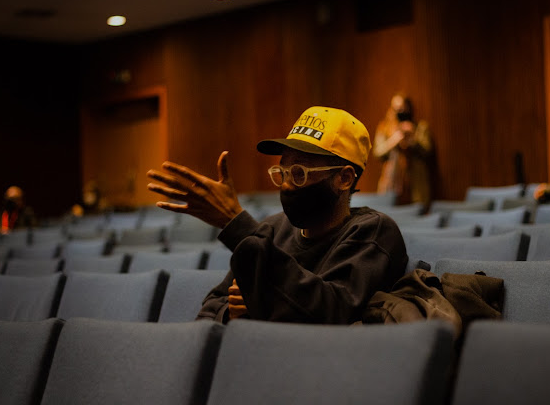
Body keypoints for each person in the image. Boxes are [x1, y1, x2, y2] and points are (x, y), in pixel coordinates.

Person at [147, 106, 407, 324]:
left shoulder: (374, 232)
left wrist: (236, 224)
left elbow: (331, 312)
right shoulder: (273, 229)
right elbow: (212, 307)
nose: (286, 185)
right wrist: (232, 314)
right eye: (282, 173)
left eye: (299, 174)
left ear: (344, 178)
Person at [373, 94, 433, 210]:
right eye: (396, 109)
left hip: (415, 183)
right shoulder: (384, 127)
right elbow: (378, 153)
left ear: (409, 108)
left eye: (403, 109)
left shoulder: (420, 127)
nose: (400, 112)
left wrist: (412, 139)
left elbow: (427, 151)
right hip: (391, 181)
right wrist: (395, 139)